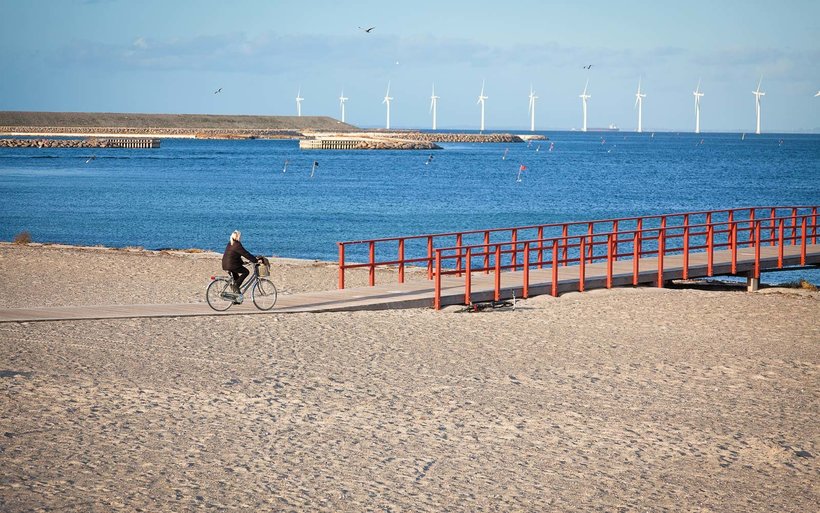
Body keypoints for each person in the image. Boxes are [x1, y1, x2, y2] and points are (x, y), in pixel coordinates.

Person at [222, 230, 260, 296]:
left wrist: (242, 263)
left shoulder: (231, 243)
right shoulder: (237, 244)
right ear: (237, 236)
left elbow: (234, 256)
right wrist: (255, 260)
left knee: (237, 279)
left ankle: (236, 298)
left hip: (226, 264)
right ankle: (235, 286)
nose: (241, 238)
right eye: (240, 236)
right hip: (231, 265)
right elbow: (245, 253)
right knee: (246, 272)